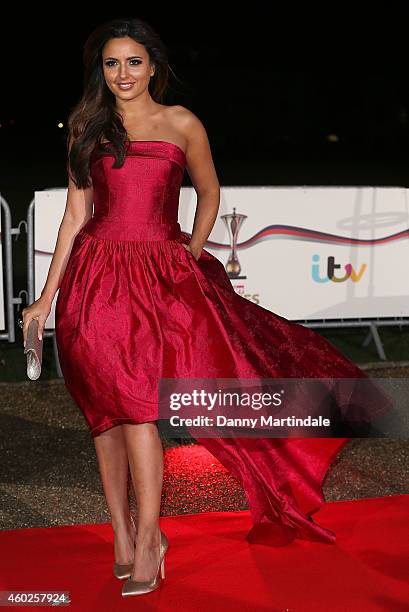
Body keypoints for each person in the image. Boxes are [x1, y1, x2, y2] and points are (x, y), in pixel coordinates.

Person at [20, 17, 394, 598]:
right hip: (95, 281)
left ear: (154, 66)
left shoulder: (182, 123)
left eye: (134, 62)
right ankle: (121, 534)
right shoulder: (87, 127)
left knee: (140, 408)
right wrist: (47, 297)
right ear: (102, 70)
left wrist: (187, 255)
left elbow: (210, 191)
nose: (123, 73)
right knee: (103, 413)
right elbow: (74, 217)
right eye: (112, 63)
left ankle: (150, 538)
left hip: (156, 276)